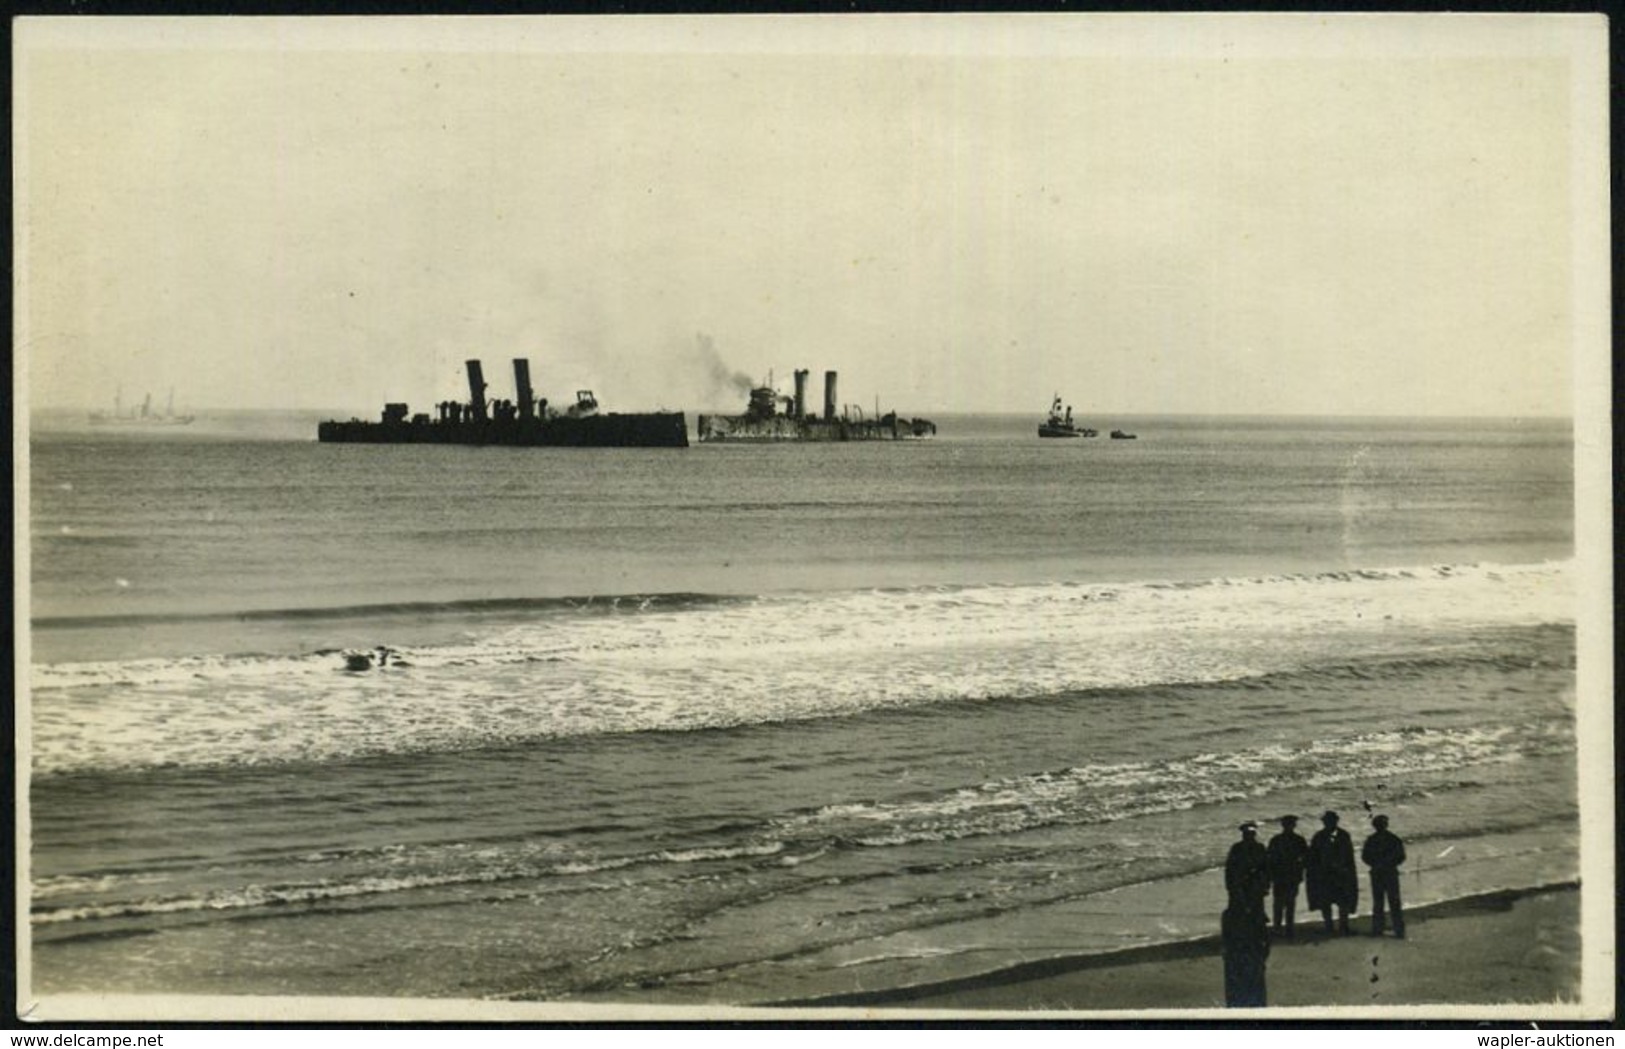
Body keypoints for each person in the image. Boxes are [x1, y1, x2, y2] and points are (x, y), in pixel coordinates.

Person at [1305, 810, 1358, 934]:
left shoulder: (1344, 835)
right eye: (1326, 821)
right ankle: (1329, 926)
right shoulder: (1318, 837)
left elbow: (1349, 856)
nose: (1328, 823)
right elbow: (1313, 857)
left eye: (1331, 821)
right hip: (1325, 875)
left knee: (1343, 902)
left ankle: (1343, 926)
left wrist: (1348, 871)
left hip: (1341, 874)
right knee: (1325, 902)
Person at [1362, 814, 1407, 938]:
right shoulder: (1393, 839)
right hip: (1388, 872)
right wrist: (1389, 864)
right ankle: (1398, 930)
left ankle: (1379, 929)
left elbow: (1365, 857)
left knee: (1381, 902)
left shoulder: (1372, 840)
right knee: (1392, 902)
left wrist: (1377, 864)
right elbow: (1401, 856)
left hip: (1379, 872)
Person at [1266, 814, 1309, 937]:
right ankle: (1282, 927)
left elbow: (1306, 858)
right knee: (1283, 902)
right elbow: (1269, 860)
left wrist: (1300, 869)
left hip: (1288, 875)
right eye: (1288, 824)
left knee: (1286, 902)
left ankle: (1283, 927)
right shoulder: (1295, 840)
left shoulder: (1279, 840)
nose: (1289, 827)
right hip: (1283, 875)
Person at [1221, 901, 1270, 1007]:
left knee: (1237, 990)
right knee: (1255, 988)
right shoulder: (1257, 914)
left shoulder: (1228, 915)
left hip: (1237, 956)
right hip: (1251, 954)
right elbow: (1265, 939)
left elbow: (1226, 941)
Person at [1225, 821, 1270, 909]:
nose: (1249, 836)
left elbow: (1266, 867)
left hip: (1256, 882)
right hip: (1240, 881)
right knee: (1239, 908)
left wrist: (1266, 885)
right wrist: (1229, 884)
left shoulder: (1260, 847)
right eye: (1247, 834)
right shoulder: (1237, 848)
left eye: (1251, 834)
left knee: (1257, 907)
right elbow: (1230, 867)